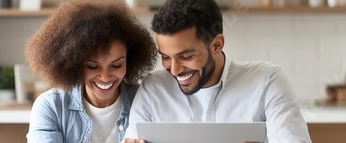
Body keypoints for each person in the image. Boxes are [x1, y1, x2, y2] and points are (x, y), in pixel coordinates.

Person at [122, 0, 311, 143]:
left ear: (217, 44)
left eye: (186, 57)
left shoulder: (267, 81)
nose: (175, 69)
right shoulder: (153, 88)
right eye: (165, 57)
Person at [25, 0, 157, 142]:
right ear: (74, 64)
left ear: (129, 60)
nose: (105, 77)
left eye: (116, 65)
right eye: (93, 67)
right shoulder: (51, 106)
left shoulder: (145, 101)